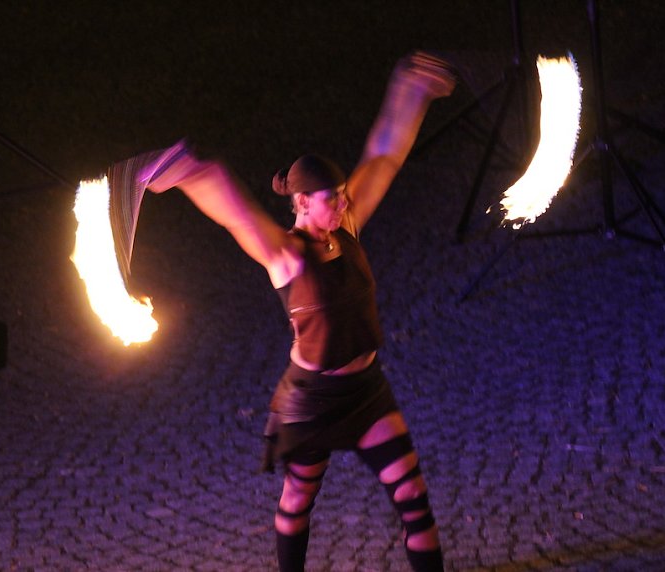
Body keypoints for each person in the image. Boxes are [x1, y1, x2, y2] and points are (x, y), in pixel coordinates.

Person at [108, 51, 455, 571]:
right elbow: (232, 209)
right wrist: (183, 170)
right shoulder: (286, 256)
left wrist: (411, 92)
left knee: (414, 501)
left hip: (366, 391)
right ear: (300, 204)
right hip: (312, 401)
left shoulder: (348, 226)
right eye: (329, 199)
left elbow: (383, 157)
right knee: (297, 503)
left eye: (340, 196)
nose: (340, 205)